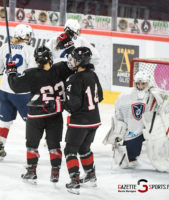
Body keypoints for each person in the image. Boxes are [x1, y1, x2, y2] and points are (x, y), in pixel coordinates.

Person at [6, 46, 74, 184]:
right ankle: (55, 173)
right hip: (55, 114)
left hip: (36, 116)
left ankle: (31, 171)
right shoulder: (61, 68)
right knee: (54, 145)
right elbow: (74, 65)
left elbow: (15, 87)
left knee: (32, 144)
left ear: (36, 60)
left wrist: (11, 72)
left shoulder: (31, 74)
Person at [103, 70, 169, 171]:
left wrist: (162, 102)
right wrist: (117, 138)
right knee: (126, 161)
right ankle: (133, 152)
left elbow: (166, 110)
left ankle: (162, 157)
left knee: (161, 160)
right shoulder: (125, 96)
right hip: (134, 131)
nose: (140, 86)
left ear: (148, 82)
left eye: (143, 83)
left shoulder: (155, 94)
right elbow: (118, 118)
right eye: (138, 83)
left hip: (152, 129)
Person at [0, 24, 36, 160]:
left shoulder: (4, 47)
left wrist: (4, 70)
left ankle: (0, 147)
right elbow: (32, 71)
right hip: (21, 93)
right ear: (21, 34)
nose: (29, 37)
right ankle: (31, 153)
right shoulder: (29, 50)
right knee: (32, 122)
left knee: (5, 122)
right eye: (27, 35)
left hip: (4, 90)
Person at [63, 47, 103, 195]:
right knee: (84, 148)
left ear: (80, 61)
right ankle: (91, 175)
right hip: (94, 120)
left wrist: (61, 103)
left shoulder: (73, 79)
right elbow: (101, 96)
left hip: (80, 121)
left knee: (70, 150)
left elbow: (73, 106)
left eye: (73, 58)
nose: (71, 61)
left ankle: (74, 181)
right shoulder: (93, 75)